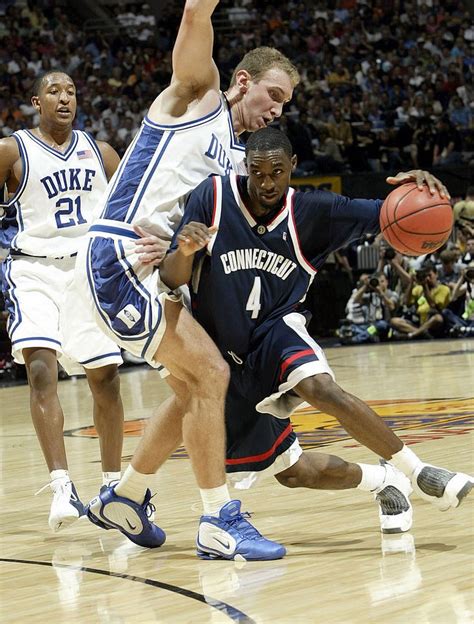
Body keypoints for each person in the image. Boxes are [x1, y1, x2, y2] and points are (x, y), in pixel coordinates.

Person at [157, 127, 473, 536]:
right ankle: (382, 481)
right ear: (245, 169)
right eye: (257, 172)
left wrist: (423, 187)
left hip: (277, 329)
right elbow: (170, 275)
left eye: (276, 172)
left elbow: (389, 213)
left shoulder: (315, 211)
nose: (267, 183)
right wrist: (184, 251)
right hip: (222, 355)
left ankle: (418, 471)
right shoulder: (213, 197)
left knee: (320, 387)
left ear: (293, 167)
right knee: (292, 472)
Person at [77, 0, 300, 561]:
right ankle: (217, 520)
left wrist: (181, 242)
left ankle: (124, 498)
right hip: (120, 257)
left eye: (287, 104)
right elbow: (196, 10)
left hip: (157, 274)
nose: (277, 110)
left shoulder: (238, 163)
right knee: (209, 375)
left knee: (188, 391)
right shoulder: (198, 97)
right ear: (242, 80)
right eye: (273, 95)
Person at [0, 71, 124, 532]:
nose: (64, 97)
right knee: (39, 369)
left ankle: (113, 487)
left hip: (85, 272)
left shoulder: (101, 151)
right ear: (36, 101)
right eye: (54, 91)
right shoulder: (13, 150)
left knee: (106, 377)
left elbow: (134, 202)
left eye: (70, 90)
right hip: (33, 269)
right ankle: (61, 486)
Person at [391, 264, 451, 340]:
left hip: (435, 323)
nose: (428, 279)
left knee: (437, 319)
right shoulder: (419, 289)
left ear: (436, 274)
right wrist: (411, 283)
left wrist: (425, 285)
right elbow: (406, 303)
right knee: (394, 321)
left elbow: (433, 305)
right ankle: (421, 334)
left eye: (430, 275)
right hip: (419, 322)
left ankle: (415, 334)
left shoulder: (444, 289)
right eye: (426, 276)